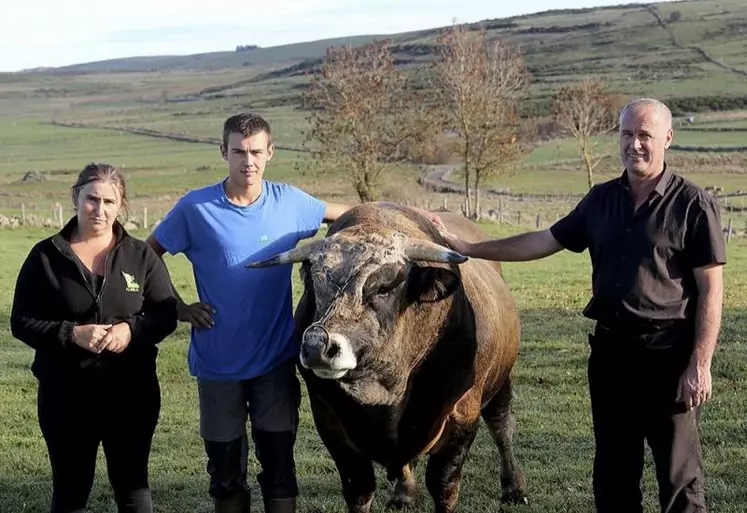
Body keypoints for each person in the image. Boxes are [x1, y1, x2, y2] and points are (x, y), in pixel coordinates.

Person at [437, 98, 726, 513]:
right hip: (610, 358)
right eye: (627, 135)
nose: (635, 145)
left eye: (645, 135)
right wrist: (470, 248)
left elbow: (711, 290)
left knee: (679, 480)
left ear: (667, 138)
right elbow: (543, 240)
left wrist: (700, 362)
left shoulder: (693, 205)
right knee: (612, 477)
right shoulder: (600, 200)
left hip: (670, 357)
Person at [146, 112, 442, 513]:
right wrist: (177, 306)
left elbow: (354, 213)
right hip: (217, 364)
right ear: (223, 152)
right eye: (237, 151)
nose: (246, 161)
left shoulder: (290, 203)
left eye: (255, 152)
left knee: (280, 465)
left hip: (275, 362)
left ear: (269, 152)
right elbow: (146, 257)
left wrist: (415, 220)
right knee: (225, 471)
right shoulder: (195, 208)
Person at [10, 163, 179, 513]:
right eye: (91, 199)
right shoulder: (45, 256)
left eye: (108, 201)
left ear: (121, 206)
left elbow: (165, 315)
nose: (99, 210)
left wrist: (131, 330)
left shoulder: (141, 256)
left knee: (133, 489)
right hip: (65, 397)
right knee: (71, 492)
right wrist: (71, 333)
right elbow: (21, 322)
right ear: (76, 197)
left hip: (132, 396)